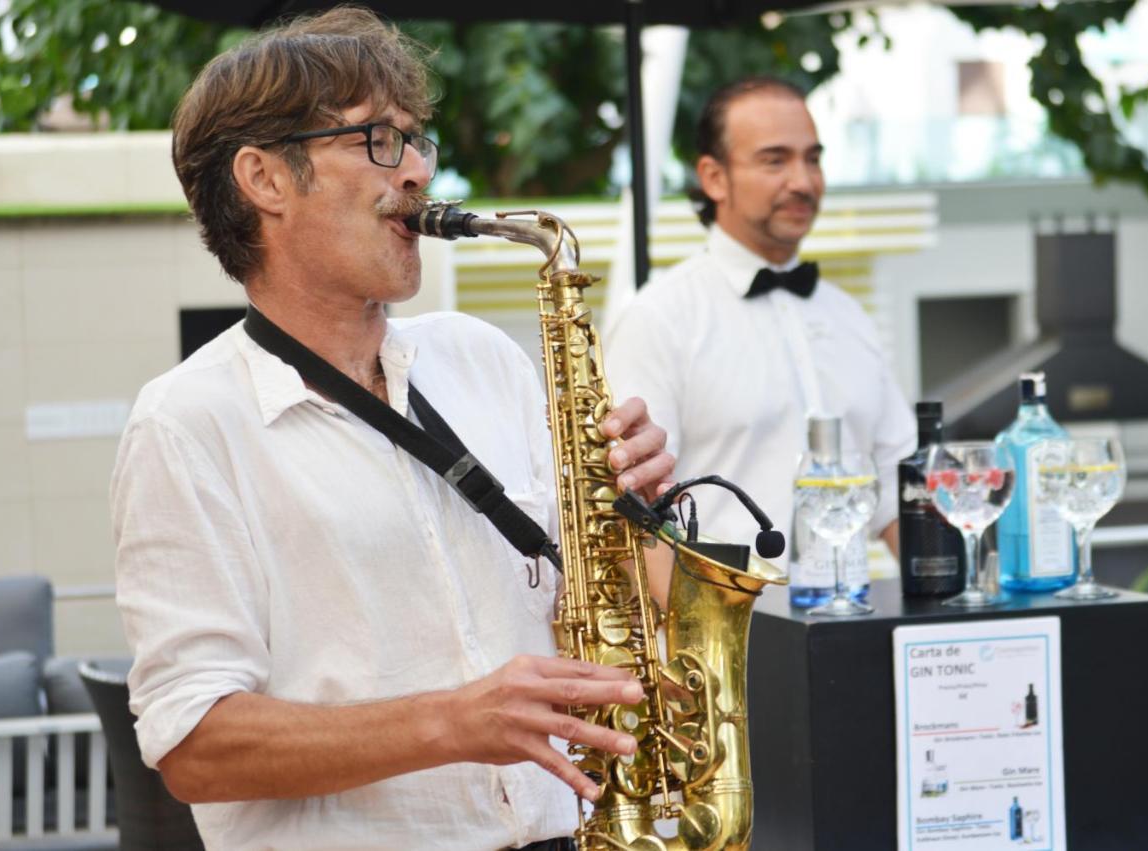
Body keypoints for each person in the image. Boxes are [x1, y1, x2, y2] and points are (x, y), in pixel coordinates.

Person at [110, 9, 674, 850]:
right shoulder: (187, 421)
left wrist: (639, 513)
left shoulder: (485, 358)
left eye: (418, 140)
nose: (416, 171)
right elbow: (195, 745)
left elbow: (598, 614)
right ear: (264, 178)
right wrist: (454, 720)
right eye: (377, 139)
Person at [604, 77, 915, 561]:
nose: (803, 181)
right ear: (714, 178)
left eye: (813, 158)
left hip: (851, 622)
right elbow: (633, 509)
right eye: (775, 160)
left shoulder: (848, 314)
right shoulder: (658, 317)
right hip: (722, 629)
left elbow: (898, 489)